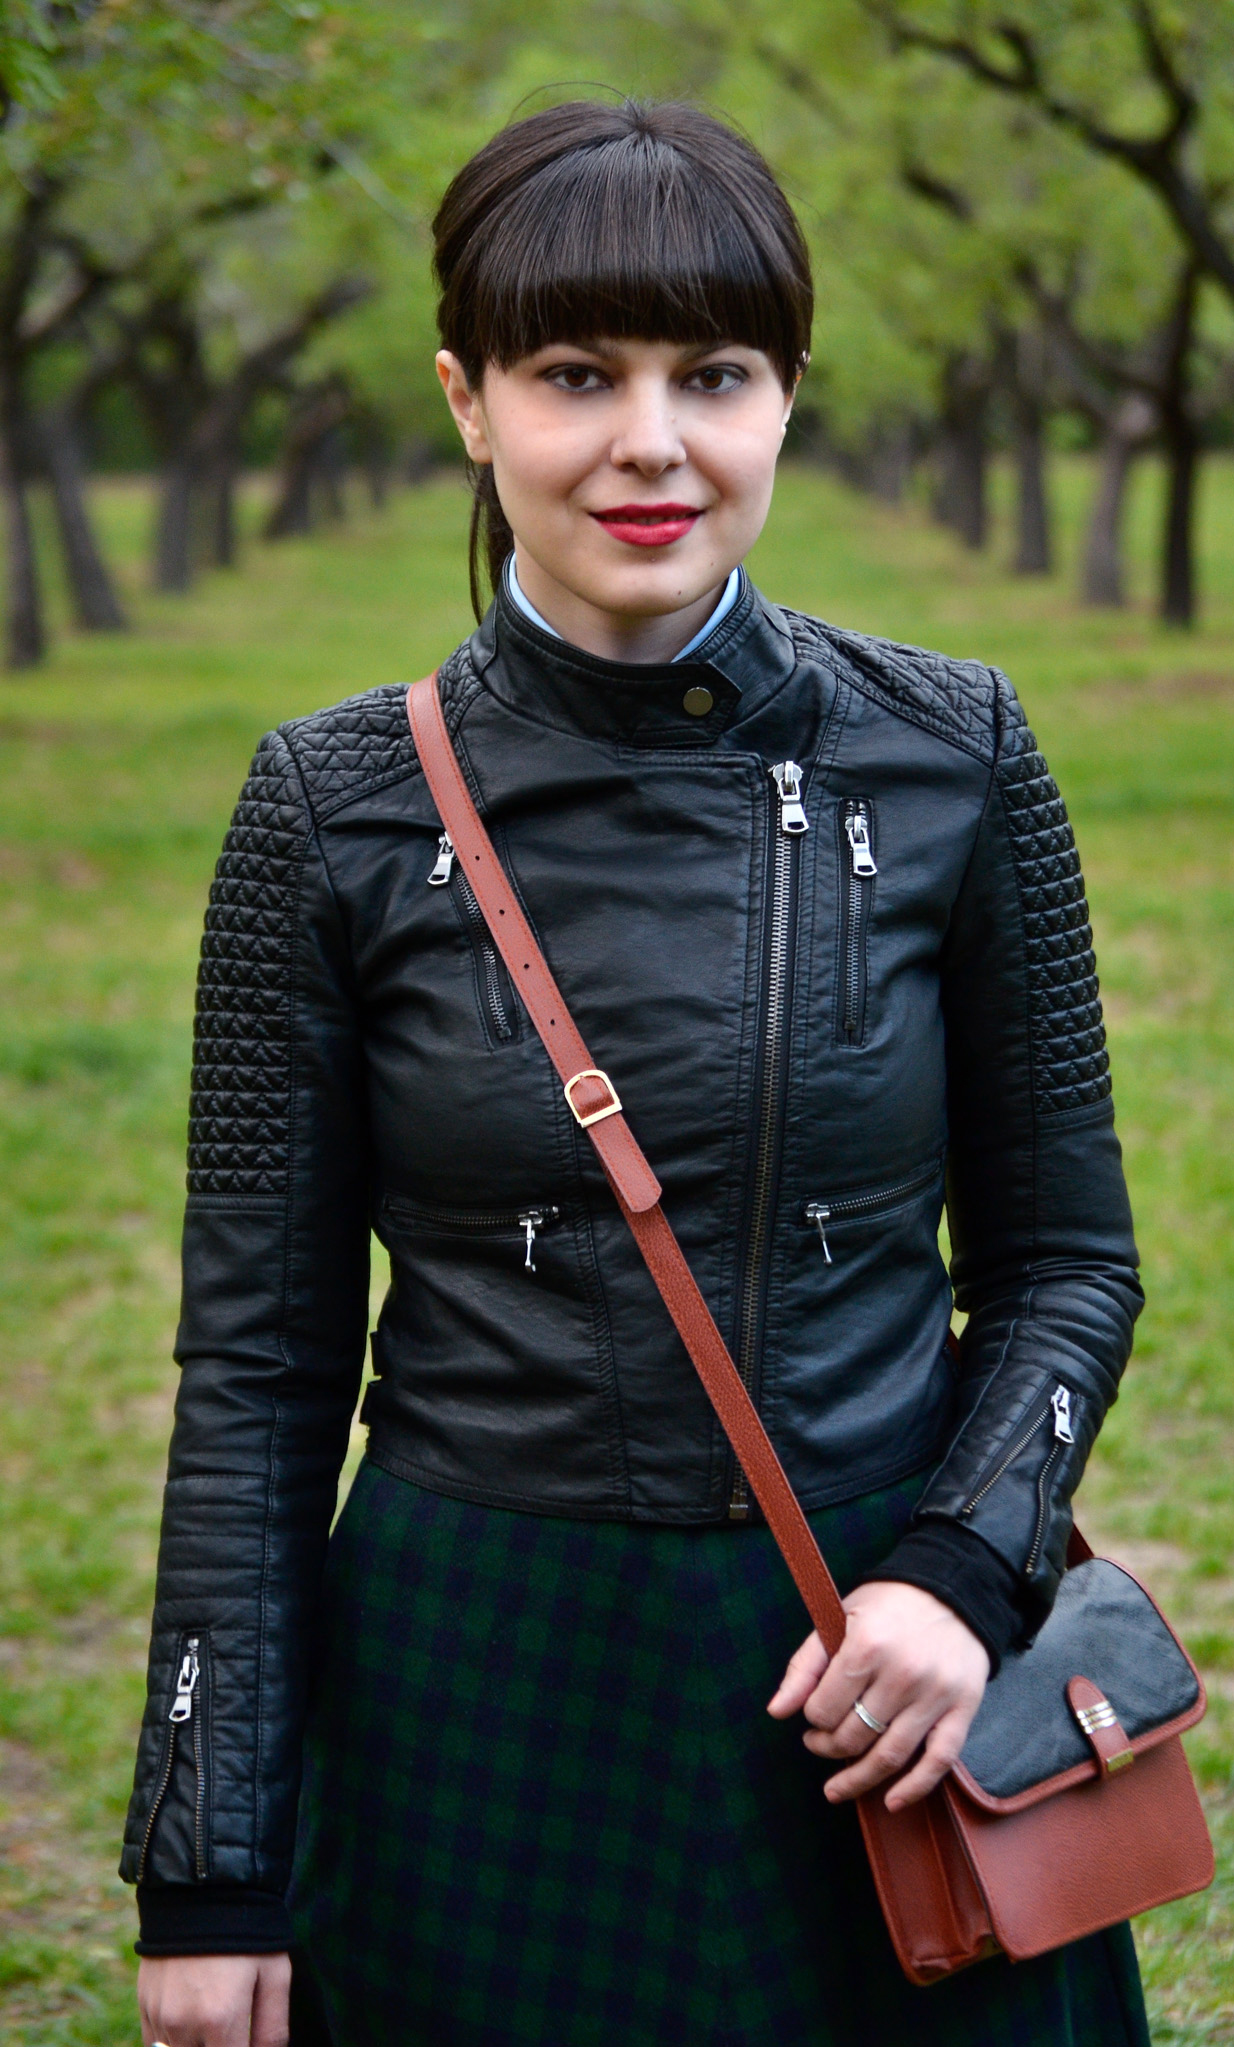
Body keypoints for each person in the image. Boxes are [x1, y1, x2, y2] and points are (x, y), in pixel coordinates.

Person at [127, 98, 1147, 2047]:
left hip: (874, 1681)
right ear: (467, 398)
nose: (654, 442)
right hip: (478, 1690)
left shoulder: (958, 755)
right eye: (578, 374)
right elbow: (255, 1374)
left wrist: (960, 1573)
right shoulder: (326, 808)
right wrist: (210, 1861)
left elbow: (1066, 1263)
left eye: (720, 374)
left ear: (790, 400)